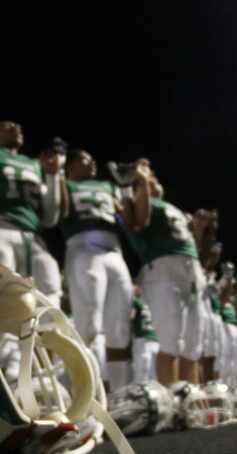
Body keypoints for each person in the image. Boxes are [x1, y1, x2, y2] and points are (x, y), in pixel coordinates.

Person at [60, 149, 139, 390]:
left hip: (114, 252)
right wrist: (57, 179)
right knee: (89, 327)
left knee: (120, 331)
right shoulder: (65, 184)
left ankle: (119, 396)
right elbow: (54, 213)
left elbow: (131, 222)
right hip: (83, 247)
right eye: (84, 158)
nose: (92, 161)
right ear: (71, 165)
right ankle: (87, 395)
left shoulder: (107, 186)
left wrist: (125, 188)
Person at [0, 125, 64, 303]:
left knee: (49, 286)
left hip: (34, 236)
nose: (16, 128)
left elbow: (50, 218)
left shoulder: (35, 164)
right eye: (7, 127)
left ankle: (46, 331)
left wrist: (52, 176)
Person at [128, 171, 206, 386]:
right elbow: (140, 222)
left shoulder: (171, 208)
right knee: (170, 341)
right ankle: (171, 402)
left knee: (193, 342)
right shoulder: (137, 203)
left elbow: (193, 247)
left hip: (190, 266)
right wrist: (141, 182)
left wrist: (199, 230)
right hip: (161, 267)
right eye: (149, 178)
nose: (154, 180)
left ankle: (189, 398)